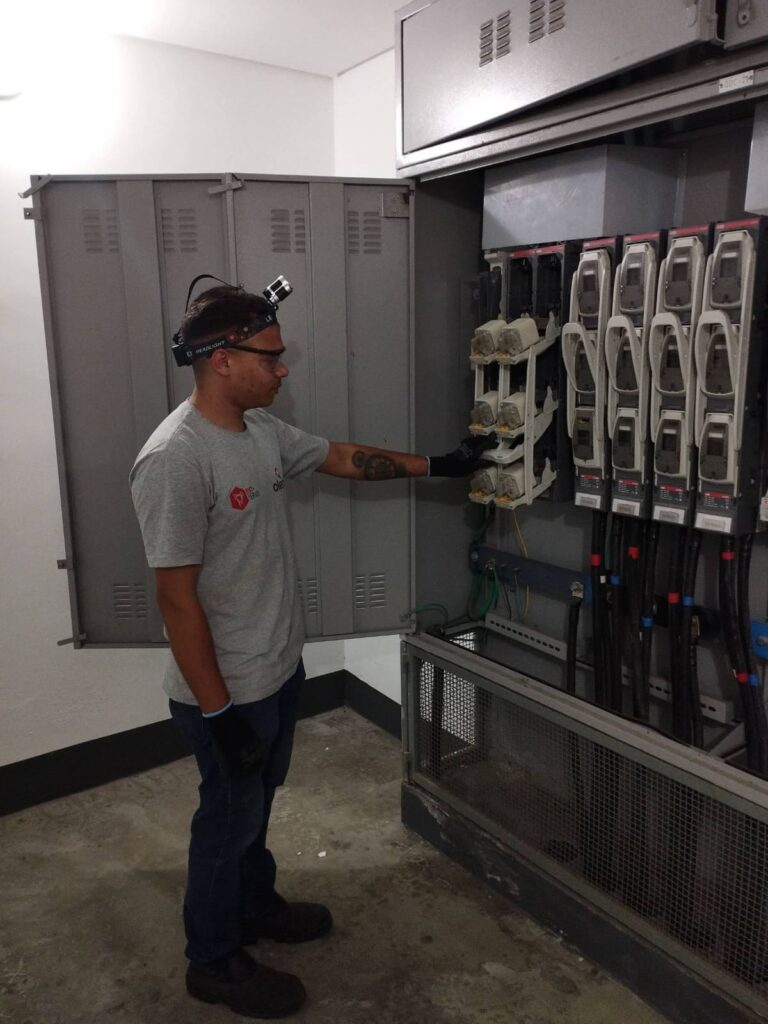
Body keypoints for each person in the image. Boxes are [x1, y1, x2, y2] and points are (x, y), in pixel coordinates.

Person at [129, 282, 491, 1019]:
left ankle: (254, 905)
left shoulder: (259, 431)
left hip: (275, 668)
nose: (283, 368)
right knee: (225, 820)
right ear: (222, 360)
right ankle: (213, 961)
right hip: (226, 690)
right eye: (270, 356)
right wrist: (219, 712)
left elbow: (342, 457)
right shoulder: (175, 457)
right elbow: (176, 599)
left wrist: (441, 464)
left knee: (255, 806)